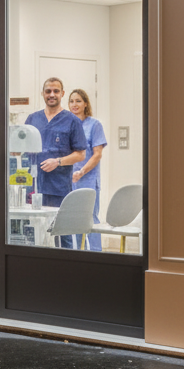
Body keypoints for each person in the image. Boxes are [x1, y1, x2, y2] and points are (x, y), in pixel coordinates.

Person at [24, 78, 87, 247]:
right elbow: (23, 148)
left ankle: (66, 268)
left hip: (59, 188)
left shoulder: (71, 121)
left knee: (62, 232)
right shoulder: (32, 119)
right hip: (34, 187)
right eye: (48, 91)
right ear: (43, 94)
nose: (52, 95)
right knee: (33, 232)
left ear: (62, 94)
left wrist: (58, 161)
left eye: (56, 91)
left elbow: (81, 154)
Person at [68, 88, 107, 251]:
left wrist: (82, 171)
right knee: (73, 219)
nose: (74, 104)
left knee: (90, 218)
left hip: (88, 179)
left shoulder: (94, 125)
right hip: (69, 180)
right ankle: (78, 254)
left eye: (78, 101)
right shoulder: (67, 125)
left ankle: (97, 254)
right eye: (71, 101)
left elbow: (97, 155)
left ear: (85, 104)